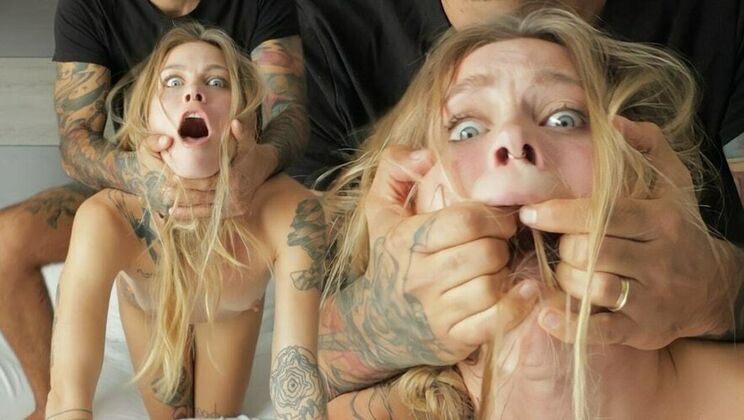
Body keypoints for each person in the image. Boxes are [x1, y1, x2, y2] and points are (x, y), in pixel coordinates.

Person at [299, 0, 744, 400]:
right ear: (409, 201)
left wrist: (719, 287)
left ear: (639, 173)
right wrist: (373, 326)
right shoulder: (324, 32)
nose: (513, 139)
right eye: (466, 130)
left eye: (564, 119)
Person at [0, 0, 306, 417]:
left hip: (238, 196)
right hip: (132, 177)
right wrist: (139, 177)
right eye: (174, 82)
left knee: (218, 410)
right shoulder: (88, 7)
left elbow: (291, 114)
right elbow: (75, 139)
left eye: (216, 82)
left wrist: (254, 168)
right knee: (10, 238)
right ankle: (43, 401)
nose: (193, 92)